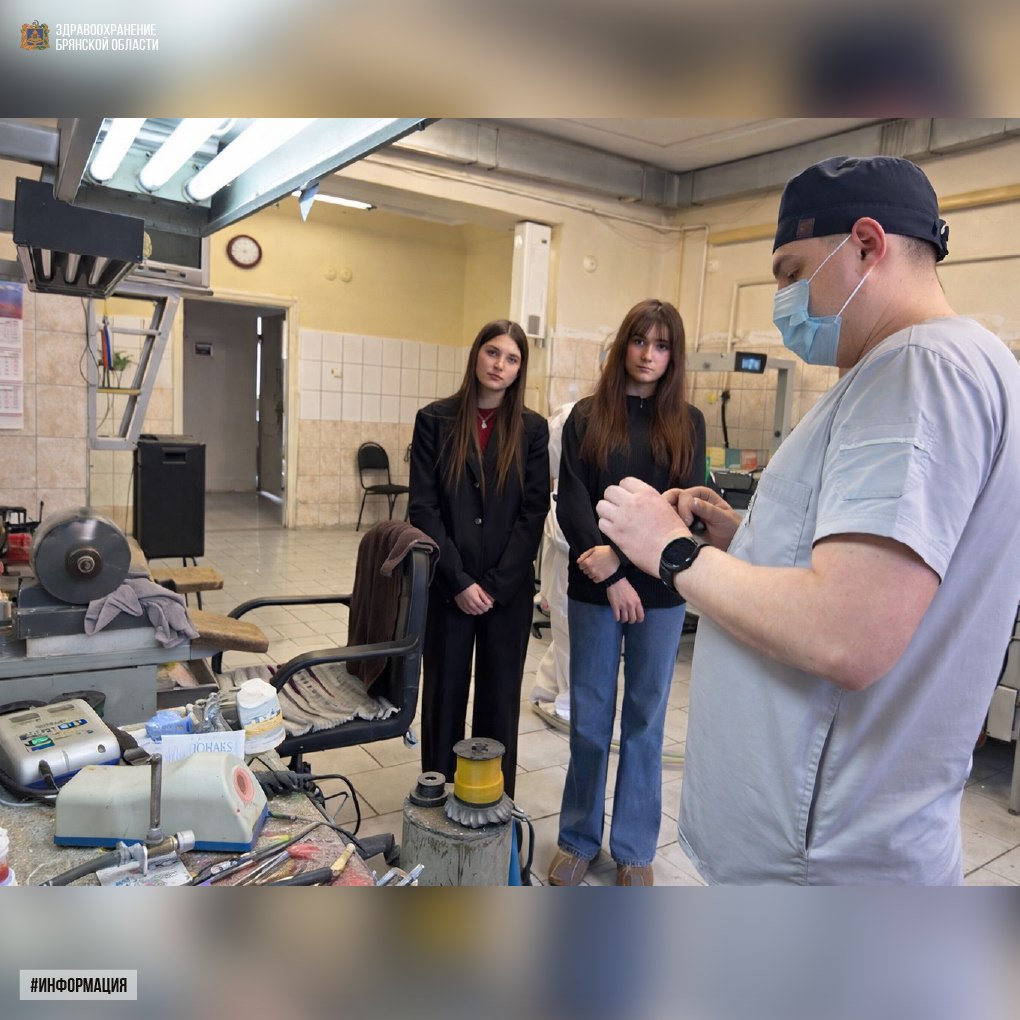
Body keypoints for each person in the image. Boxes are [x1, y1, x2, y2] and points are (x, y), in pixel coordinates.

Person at [595, 155, 1020, 884]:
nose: (783, 301)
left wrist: (671, 551)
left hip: (825, 852)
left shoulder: (917, 371)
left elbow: (848, 631)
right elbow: (887, 572)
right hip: (847, 839)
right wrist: (745, 539)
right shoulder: (971, 364)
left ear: (866, 244)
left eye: (792, 273)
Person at [547, 299, 706, 886]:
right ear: (623, 346)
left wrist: (630, 561)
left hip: (661, 589)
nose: (648, 355)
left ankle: (635, 850)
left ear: (674, 355)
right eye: (640, 341)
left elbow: (685, 503)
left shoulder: (688, 422)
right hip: (595, 584)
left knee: (645, 719)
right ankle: (577, 838)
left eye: (661, 345)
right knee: (590, 716)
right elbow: (572, 499)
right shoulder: (588, 417)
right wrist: (610, 572)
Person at [409, 320, 549, 799]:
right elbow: (423, 508)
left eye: (512, 358)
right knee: (444, 695)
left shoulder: (532, 429)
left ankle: (491, 799)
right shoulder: (435, 419)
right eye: (492, 352)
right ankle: (437, 797)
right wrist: (459, 581)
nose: (499, 365)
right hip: (449, 587)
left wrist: (495, 585)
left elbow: (533, 512)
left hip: (506, 592)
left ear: (520, 369)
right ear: (476, 355)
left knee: (499, 698)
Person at [529, 397, 576, 722]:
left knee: (568, 634)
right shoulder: (569, 416)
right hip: (566, 542)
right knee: (567, 631)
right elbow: (546, 468)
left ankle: (547, 690)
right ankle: (566, 705)